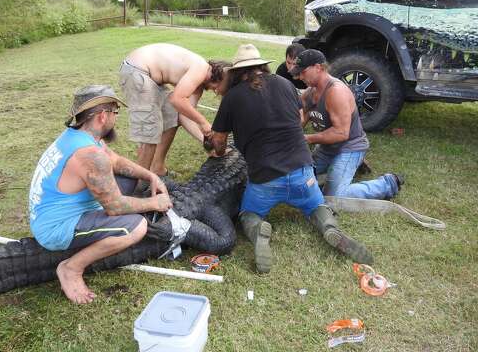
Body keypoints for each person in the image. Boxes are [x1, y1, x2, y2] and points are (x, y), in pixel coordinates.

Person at [208, 44, 373, 274]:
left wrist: (217, 151)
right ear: (262, 65)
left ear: (236, 71)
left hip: (264, 180)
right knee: (317, 205)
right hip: (303, 173)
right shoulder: (286, 84)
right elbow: (297, 121)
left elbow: (219, 141)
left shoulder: (232, 98)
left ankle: (258, 231)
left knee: (249, 214)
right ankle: (328, 226)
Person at [28, 85, 173, 304]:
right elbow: (115, 207)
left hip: (61, 209)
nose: (116, 117)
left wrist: (150, 175)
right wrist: (154, 202)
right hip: (56, 227)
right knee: (136, 227)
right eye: (116, 112)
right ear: (103, 116)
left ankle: (92, 235)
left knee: (129, 176)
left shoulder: (83, 136)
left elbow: (115, 161)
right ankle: (71, 268)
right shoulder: (89, 155)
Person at [290, 49, 404, 199]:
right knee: (297, 179)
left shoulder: (336, 92)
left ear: (318, 67)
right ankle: (347, 169)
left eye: (303, 71)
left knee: (333, 196)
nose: (299, 76)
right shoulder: (309, 94)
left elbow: (341, 133)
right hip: (326, 149)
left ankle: (388, 183)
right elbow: (299, 122)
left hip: (349, 148)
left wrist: (308, 138)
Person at [119, 43, 229, 176]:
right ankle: (139, 186)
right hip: (137, 70)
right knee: (149, 134)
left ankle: (157, 168)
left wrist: (208, 142)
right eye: (221, 88)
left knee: (173, 114)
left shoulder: (198, 85)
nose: (217, 92)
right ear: (220, 77)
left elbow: (183, 116)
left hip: (150, 77)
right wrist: (203, 122)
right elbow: (176, 99)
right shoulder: (201, 69)